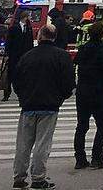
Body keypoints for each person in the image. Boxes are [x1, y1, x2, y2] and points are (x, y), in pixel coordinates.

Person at [12, 24, 75, 190]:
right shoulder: (62, 56)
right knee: (42, 144)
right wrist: (60, 97)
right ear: (54, 37)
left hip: (28, 105)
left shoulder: (27, 56)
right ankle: (38, 178)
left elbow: (17, 80)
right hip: (49, 105)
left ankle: (19, 177)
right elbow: (68, 82)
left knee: (23, 144)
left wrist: (23, 97)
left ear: (39, 37)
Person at [74, 22, 103, 169]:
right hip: (98, 91)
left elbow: (77, 63)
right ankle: (97, 157)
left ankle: (80, 159)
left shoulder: (83, 49)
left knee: (82, 125)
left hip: (82, 91)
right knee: (102, 125)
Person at [3, 11, 35, 101]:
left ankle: (21, 93)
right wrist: (7, 54)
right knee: (10, 74)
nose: (30, 18)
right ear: (25, 17)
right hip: (14, 54)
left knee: (23, 75)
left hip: (24, 54)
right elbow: (9, 41)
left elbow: (30, 41)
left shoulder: (28, 28)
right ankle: (6, 93)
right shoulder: (14, 28)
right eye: (28, 17)